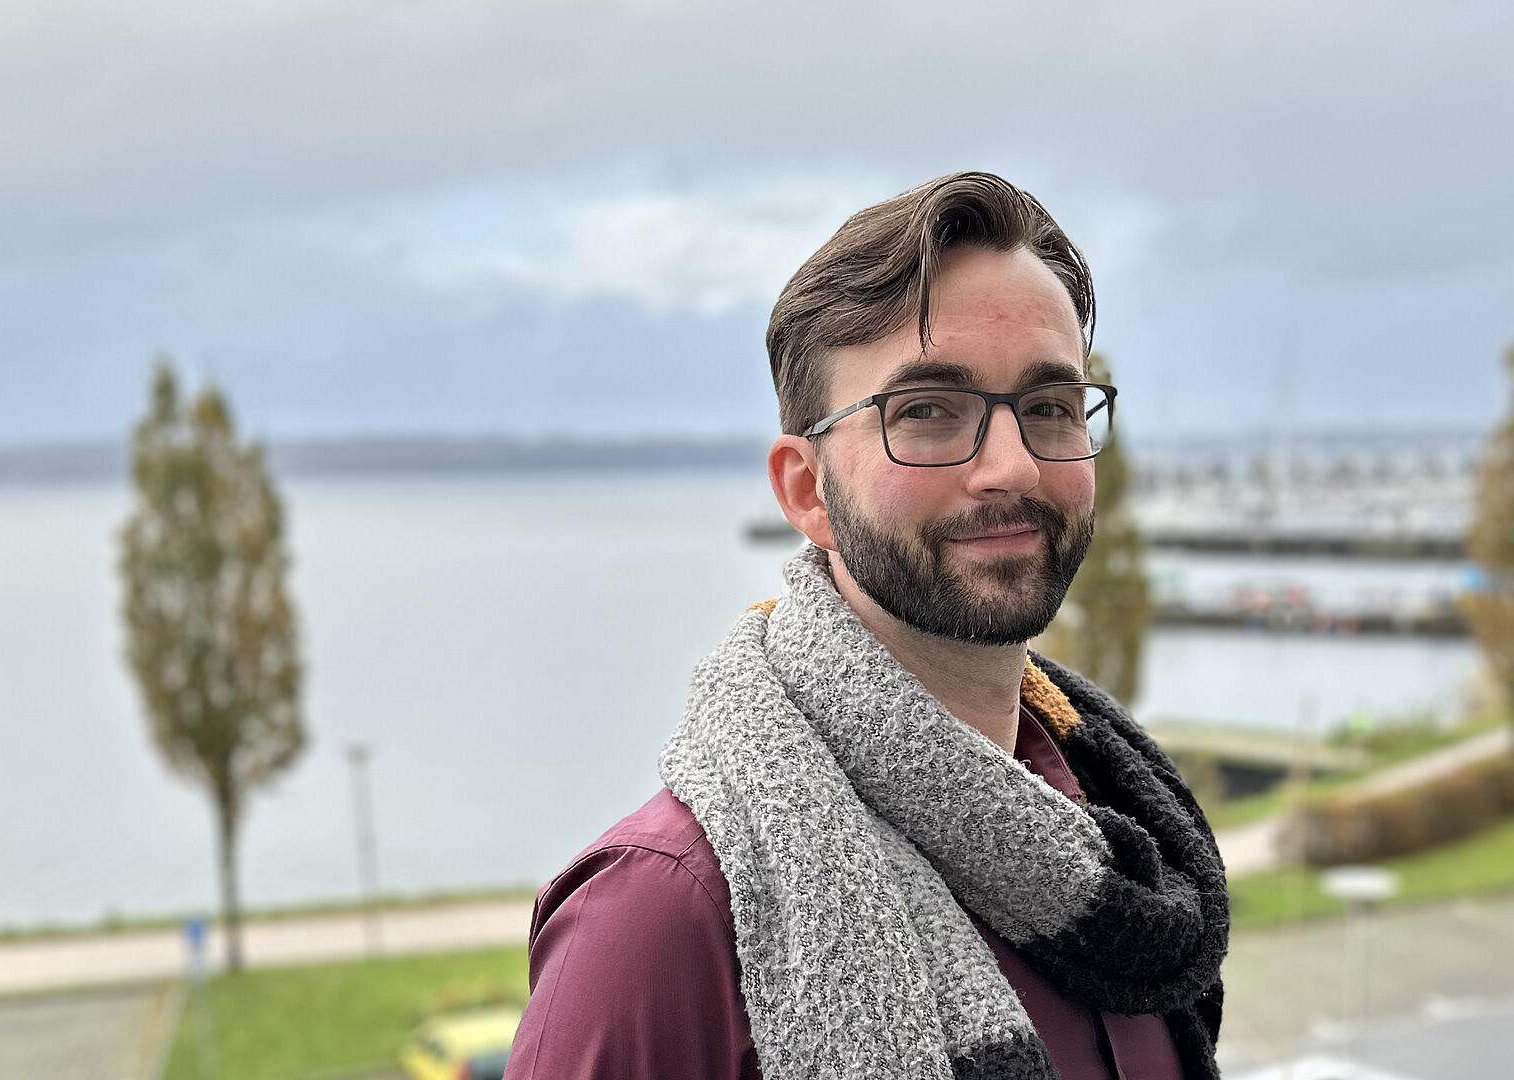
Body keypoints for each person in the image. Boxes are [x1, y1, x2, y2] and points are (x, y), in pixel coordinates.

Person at [503, 171, 1229, 1080]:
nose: (1011, 466)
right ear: (808, 491)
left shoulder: (1129, 857)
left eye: (1047, 406)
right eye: (927, 410)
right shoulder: (665, 916)